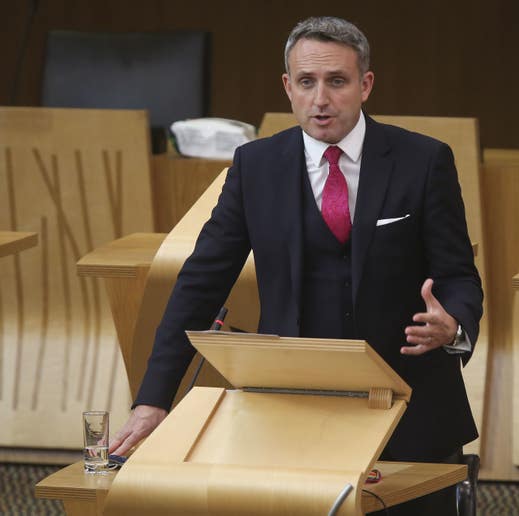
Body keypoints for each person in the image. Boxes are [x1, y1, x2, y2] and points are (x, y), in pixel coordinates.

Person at [110, 16, 482, 515]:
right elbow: (200, 286)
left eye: (337, 81)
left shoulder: (425, 160)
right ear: (288, 86)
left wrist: (453, 323)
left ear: (365, 84)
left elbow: (458, 273)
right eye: (306, 83)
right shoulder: (254, 166)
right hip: (292, 408)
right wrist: (153, 398)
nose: (321, 99)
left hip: (412, 409)